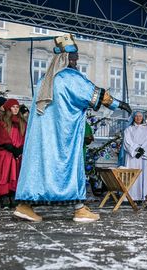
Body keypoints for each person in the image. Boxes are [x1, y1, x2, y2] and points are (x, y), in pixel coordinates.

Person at [14, 34, 132, 222]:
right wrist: (119, 104)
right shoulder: (70, 77)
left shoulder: (43, 81)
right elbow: (94, 95)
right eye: (74, 57)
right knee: (68, 166)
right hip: (63, 135)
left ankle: (25, 206)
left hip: (43, 138)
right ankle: (79, 208)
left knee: (41, 166)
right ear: (66, 58)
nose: (77, 61)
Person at [0, 98, 26, 209]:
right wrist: (11, 148)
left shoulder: (22, 122)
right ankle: (4, 198)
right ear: (8, 108)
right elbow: (2, 136)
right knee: (5, 175)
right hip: (6, 152)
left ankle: (13, 196)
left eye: (17, 107)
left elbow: (25, 136)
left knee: (15, 175)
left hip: (18, 153)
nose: (15, 109)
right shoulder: (3, 121)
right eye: (13, 107)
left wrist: (20, 149)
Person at [123, 111, 147, 201]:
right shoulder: (128, 129)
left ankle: (145, 196)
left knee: (144, 175)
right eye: (136, 116)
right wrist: (136, 149)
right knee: (132, 175)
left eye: (140, 116)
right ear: (134, 117)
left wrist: (142, 151)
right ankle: (131, 197)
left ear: (142, 118)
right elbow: (127, 142)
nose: (138, 118)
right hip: (132, 156)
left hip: (143, 156)